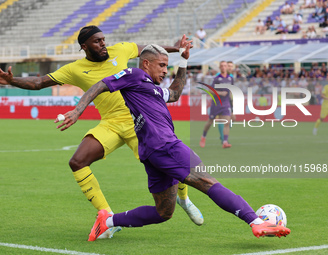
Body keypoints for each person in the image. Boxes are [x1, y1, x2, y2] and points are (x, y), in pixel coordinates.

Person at [56, 43, 291, 241]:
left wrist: (184, 62)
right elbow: (101, 85)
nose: (165, 71)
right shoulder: (135, 75)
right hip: (164, 145)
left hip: (152, 152)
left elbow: (175, 93)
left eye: (167, 66)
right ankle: (256, 221)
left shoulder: (153, 89)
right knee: (207, 182)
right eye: (161, 65)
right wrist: (78, 110)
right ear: (146, 63)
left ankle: (108, 220)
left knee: (163, 212)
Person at [0, 26, 204, 237]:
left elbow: (149, 50)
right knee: (77, 161)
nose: (103, 43)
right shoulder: (74, 69)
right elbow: (40, 82)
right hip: (111, 123)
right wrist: (12, 81)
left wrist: (177, 49)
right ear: (84, 46)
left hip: (140, 121)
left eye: (103, 39)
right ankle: (107, 216)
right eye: (97, 41)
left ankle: (184, 198)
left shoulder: (121, 49)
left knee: (169, 159)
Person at [199, 61, 234, 149]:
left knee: (227, 122)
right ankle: (203, 136)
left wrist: (231, 103)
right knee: (210, 122)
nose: (223, 67)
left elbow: (230, 92)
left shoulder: (230, 79)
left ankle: (225, 141)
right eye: (221, 66)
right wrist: (220, 93)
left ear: (227, 67)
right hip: (216, 103)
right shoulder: (217, 78)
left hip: (226, 104)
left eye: (225, 66)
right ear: (220, 67)